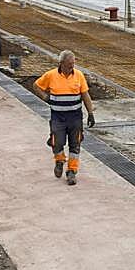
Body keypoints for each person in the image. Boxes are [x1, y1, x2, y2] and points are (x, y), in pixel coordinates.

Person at [33, 50, 95, 186]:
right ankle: (59, 160)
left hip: (75, 118)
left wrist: (90, 113)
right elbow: (36, 86)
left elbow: (85, 95)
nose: (71, 67)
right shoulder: (51, 75)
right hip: (58, 117)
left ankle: (72, 171)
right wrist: (45, 97)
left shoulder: (79, 75)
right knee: (57, 142)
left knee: (75, 145)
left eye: (73, 64)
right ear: (61, 63)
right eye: (69, 64)